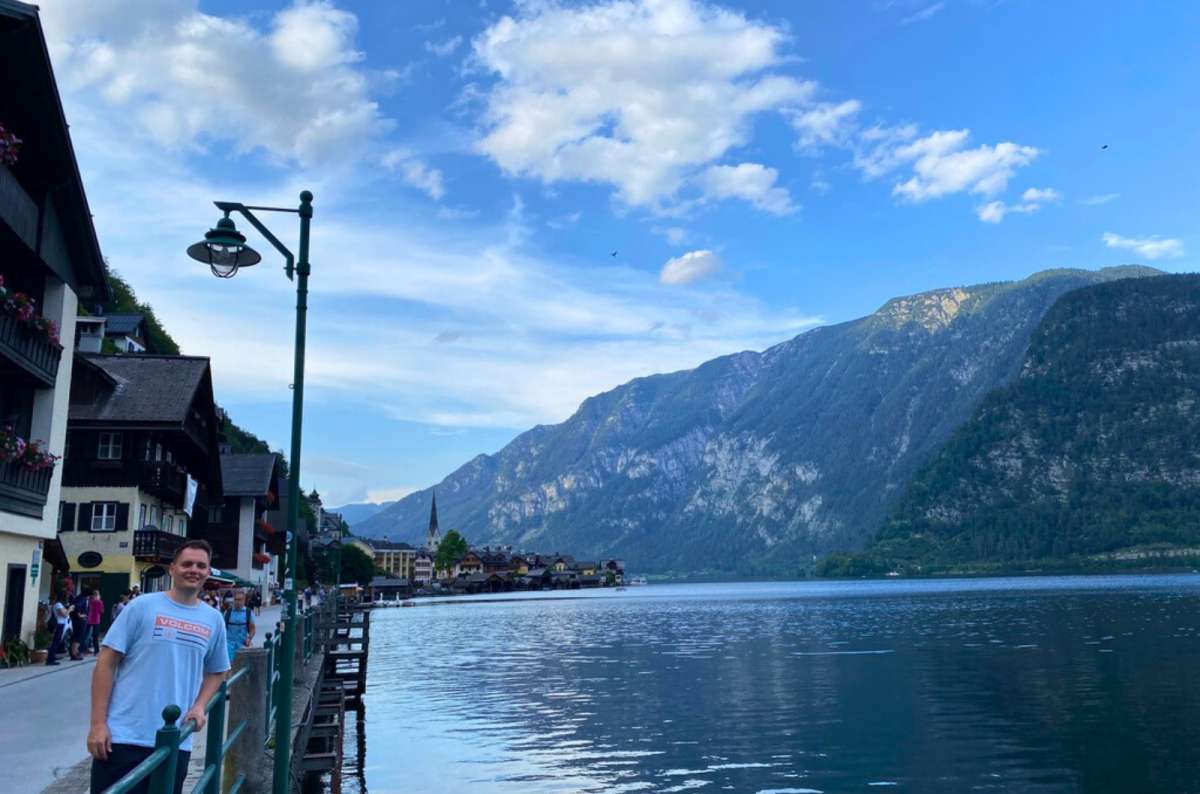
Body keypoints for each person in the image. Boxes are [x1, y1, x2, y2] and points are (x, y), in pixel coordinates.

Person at [87, 540, 229, 794]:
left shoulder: (213, 619)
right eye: (187, 564)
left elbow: (218, 669)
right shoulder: (142, 606)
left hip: (176, 740)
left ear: (208, 572)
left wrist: (199, 705)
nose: (193, 570)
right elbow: (106, 662)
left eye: (201, 565)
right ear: (172, 568)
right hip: (123, 737)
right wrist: (98, 724)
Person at [222, 591, 256, 663]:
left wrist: (249, 638)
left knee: (241, 665)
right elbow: (222, 628)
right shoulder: (227, 612)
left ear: (244, 601)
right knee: (228, 666)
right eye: (236, 599)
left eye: (240, 600)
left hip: (242, 644)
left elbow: (252, 628)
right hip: (228, 644)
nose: (237, 602)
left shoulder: (248, 612)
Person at [46, 595, 69, 665]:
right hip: (59, 624)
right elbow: (64, 615)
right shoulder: (58, 605)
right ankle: (50, 659)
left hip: (61, 624)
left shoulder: (59, 605)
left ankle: (52, 657)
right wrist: (69, 609)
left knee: (57, 642)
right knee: (55, 642)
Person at [70, 587, 90, 660]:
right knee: (78, 637)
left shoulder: (79, 597)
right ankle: (74, 653)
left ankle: (74, 652)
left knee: (76, 636)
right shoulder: (83, 599)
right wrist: (80, 615)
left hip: (76, 620)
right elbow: (77, 606)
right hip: (80, 621)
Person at [86, 590, 105, 655]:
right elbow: (101, 611)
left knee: (87, 634)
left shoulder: (90, 601)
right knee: (95, 636)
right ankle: (96, 650)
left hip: (89, 619)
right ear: (98, 595)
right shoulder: (100, 602)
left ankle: (84, 648)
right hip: (96, 620)